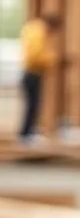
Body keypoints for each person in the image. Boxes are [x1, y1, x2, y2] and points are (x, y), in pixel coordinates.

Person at [18, 13, 61, 145]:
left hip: (31, 73)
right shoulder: (39, 33)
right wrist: (53, 60)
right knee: (33, 104)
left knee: (33, 104)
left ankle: (28, 132)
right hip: (32, 73)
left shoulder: (34, 30)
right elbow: (36, 55)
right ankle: (27, 134)